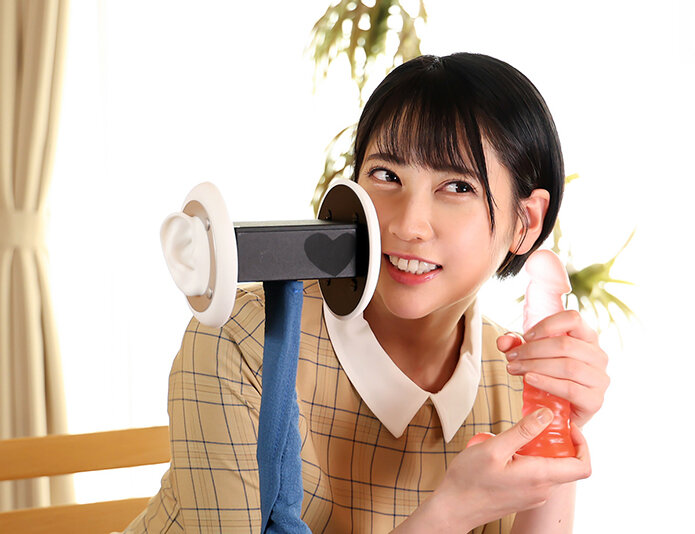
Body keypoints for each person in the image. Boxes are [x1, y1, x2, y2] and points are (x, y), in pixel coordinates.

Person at [125, 52, 610, 533]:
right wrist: (451, 513)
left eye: (457, 186)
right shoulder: (243, 342)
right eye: (387, 176)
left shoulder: (515, 374)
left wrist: (556, 421)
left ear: (525, 222)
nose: (408, 224)